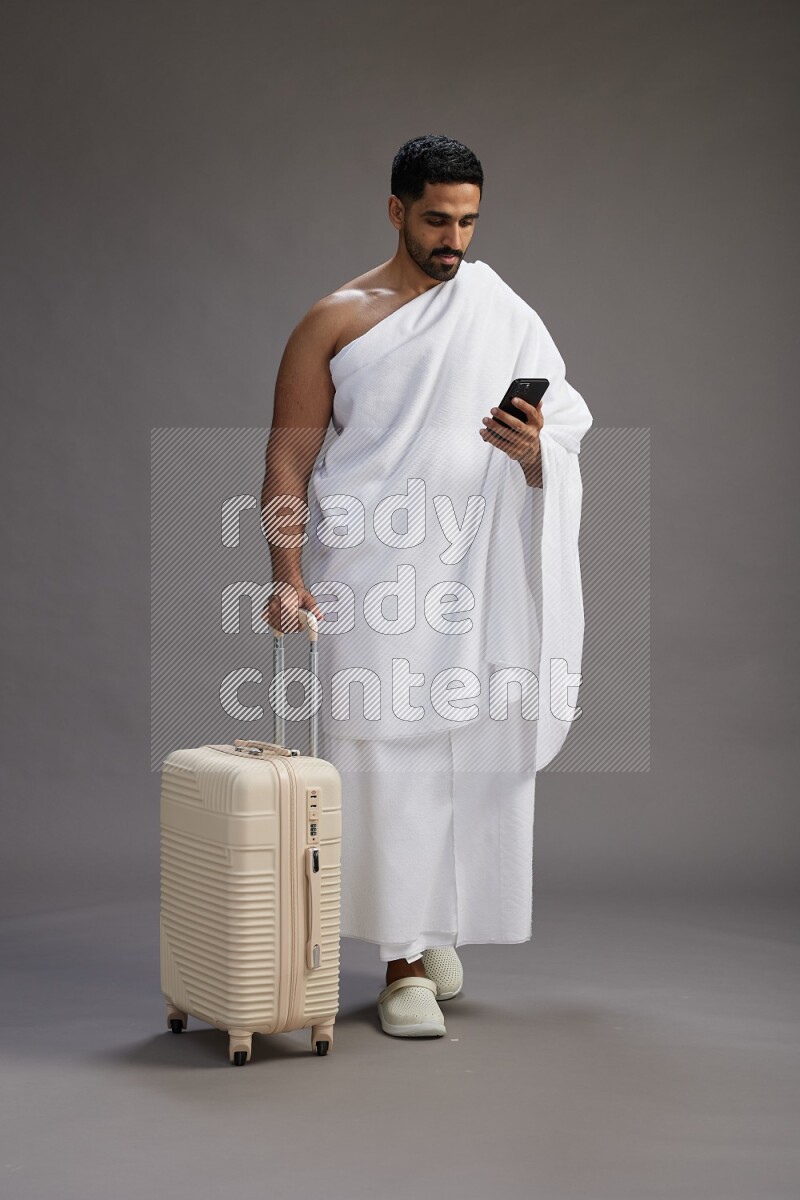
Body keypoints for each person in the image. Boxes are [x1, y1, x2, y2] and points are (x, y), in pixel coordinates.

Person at [260, 134, 592, 1039]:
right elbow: (288, 461)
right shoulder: (335, 319)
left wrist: (534, 454)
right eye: (438, 220)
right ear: (396, 210)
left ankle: (435, 930)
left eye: (469, 222)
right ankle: (401, 962)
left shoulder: (499, 310)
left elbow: (560, 434)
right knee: (386, 757)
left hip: (476, 568)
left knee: (469, 748)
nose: (455, 240)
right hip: (373, 571)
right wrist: (287, 577)